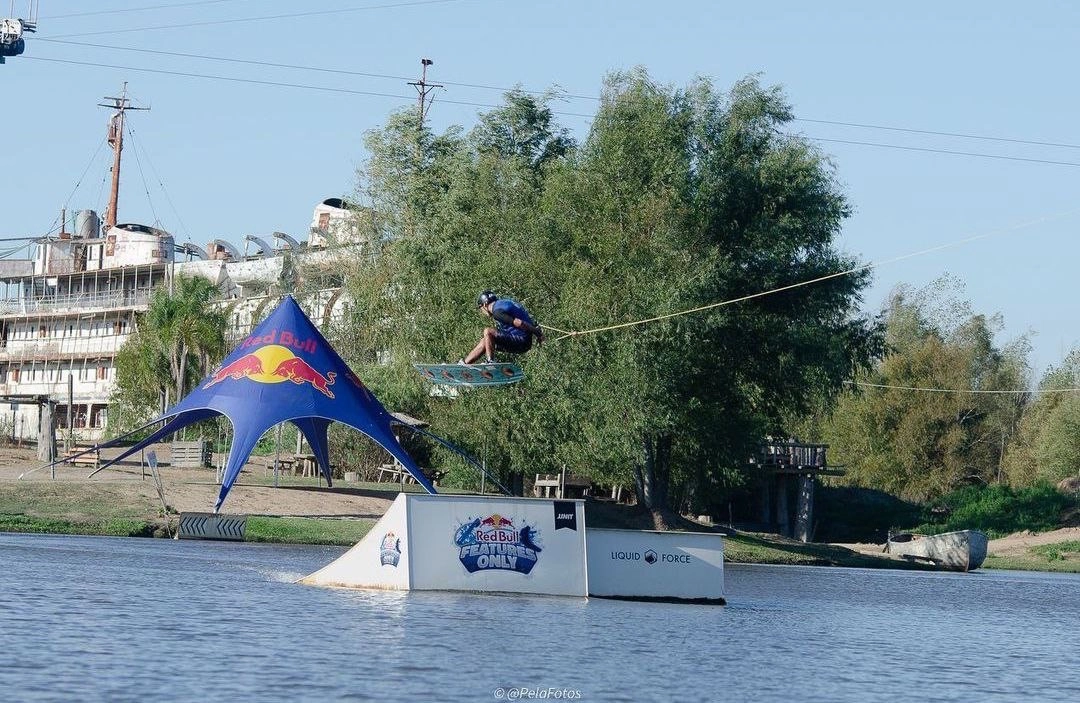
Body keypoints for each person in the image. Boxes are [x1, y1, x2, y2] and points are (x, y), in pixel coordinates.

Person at [460, 290, 543, 364]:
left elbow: (520, 323)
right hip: (522, 341)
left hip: (521, 341)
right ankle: (464, 365)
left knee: (488, 331)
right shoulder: (504, 302)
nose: (482, 312)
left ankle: (491, 362)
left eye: (480, 308)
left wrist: (538, 333)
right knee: (486, 340)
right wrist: (535, 328)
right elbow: (525, 317)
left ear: (485, 305)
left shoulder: (497, 312)